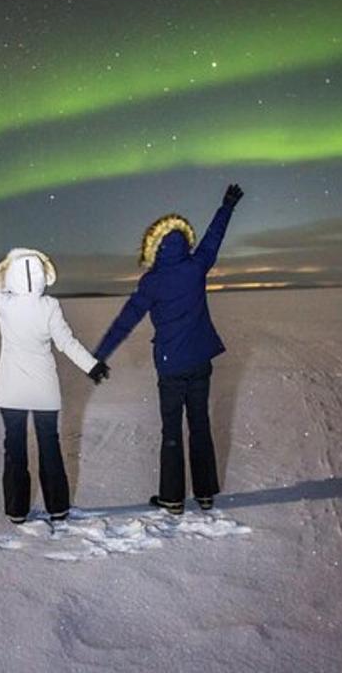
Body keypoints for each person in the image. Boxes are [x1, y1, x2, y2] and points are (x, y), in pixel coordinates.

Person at [93, 184, 244, 515]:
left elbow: (125, 321)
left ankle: (173, 498)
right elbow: (213, 239)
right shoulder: (195, 268)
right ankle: (205, 494)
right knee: (200, 425)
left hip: (171, 366)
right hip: (200, 361)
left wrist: (99, 355)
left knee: (172, 430)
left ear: (154, 247)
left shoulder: (152, 282)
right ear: (184, 241)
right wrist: (226, 207)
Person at [0, 222, 110, 524]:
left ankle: (17, 510)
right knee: (50, 447)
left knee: (15, 448)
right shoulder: (49, 306)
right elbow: (67, 343)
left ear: (14, 276)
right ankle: (57, 507)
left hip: (11, 391)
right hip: (44, 391)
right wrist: (92, 365)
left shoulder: (5, 304)